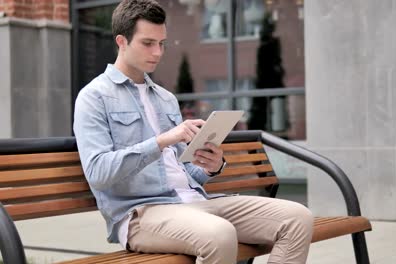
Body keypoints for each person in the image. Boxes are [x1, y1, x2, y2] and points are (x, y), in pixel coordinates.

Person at [73, 0, 314, 263]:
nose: (158, 52)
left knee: (297, 218)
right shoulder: (94, 97)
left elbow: (184, 174)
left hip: (196, 202)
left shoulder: (165, 98)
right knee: (220, 234)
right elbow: (97, 173)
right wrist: (163, 140)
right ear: (121, 41)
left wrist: (210, 166)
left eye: (162, 43)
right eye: (147, 43)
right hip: (142, 213)